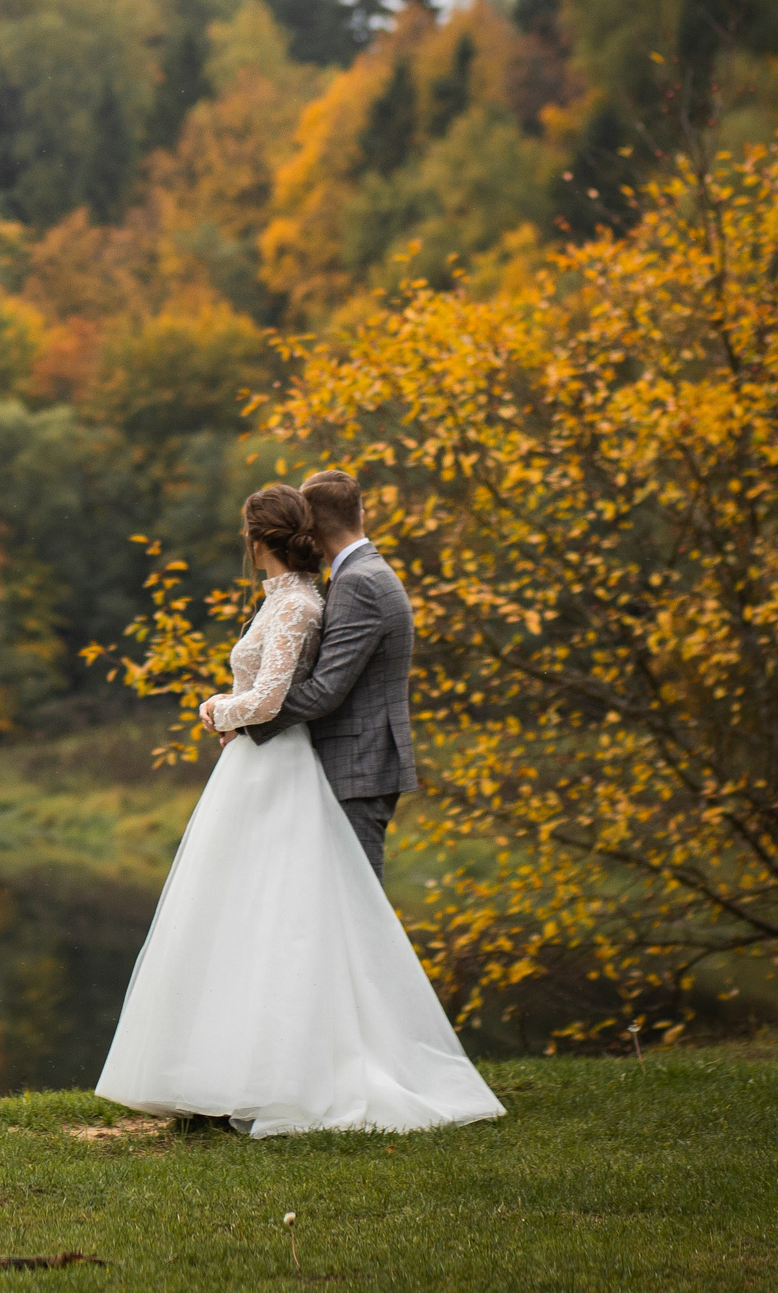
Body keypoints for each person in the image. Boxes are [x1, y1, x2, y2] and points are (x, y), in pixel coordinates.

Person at [91, 481, 500, 1137]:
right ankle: (251, 1067)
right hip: (299, 767)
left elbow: (316, 690)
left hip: (336, 764)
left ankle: (340, 1069)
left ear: (262, 539)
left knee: (339, 928)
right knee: (273, 920)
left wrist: (225, 713)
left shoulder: (345, 588)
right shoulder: (338, 584)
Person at [243, 469, 414, 884]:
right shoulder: (364, 573)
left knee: (355, 904)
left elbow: (324, 692)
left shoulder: (359, 582)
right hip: (358, 762)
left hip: (356, 765)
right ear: (361, 511)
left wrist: (245, 717)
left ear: (312, 525)